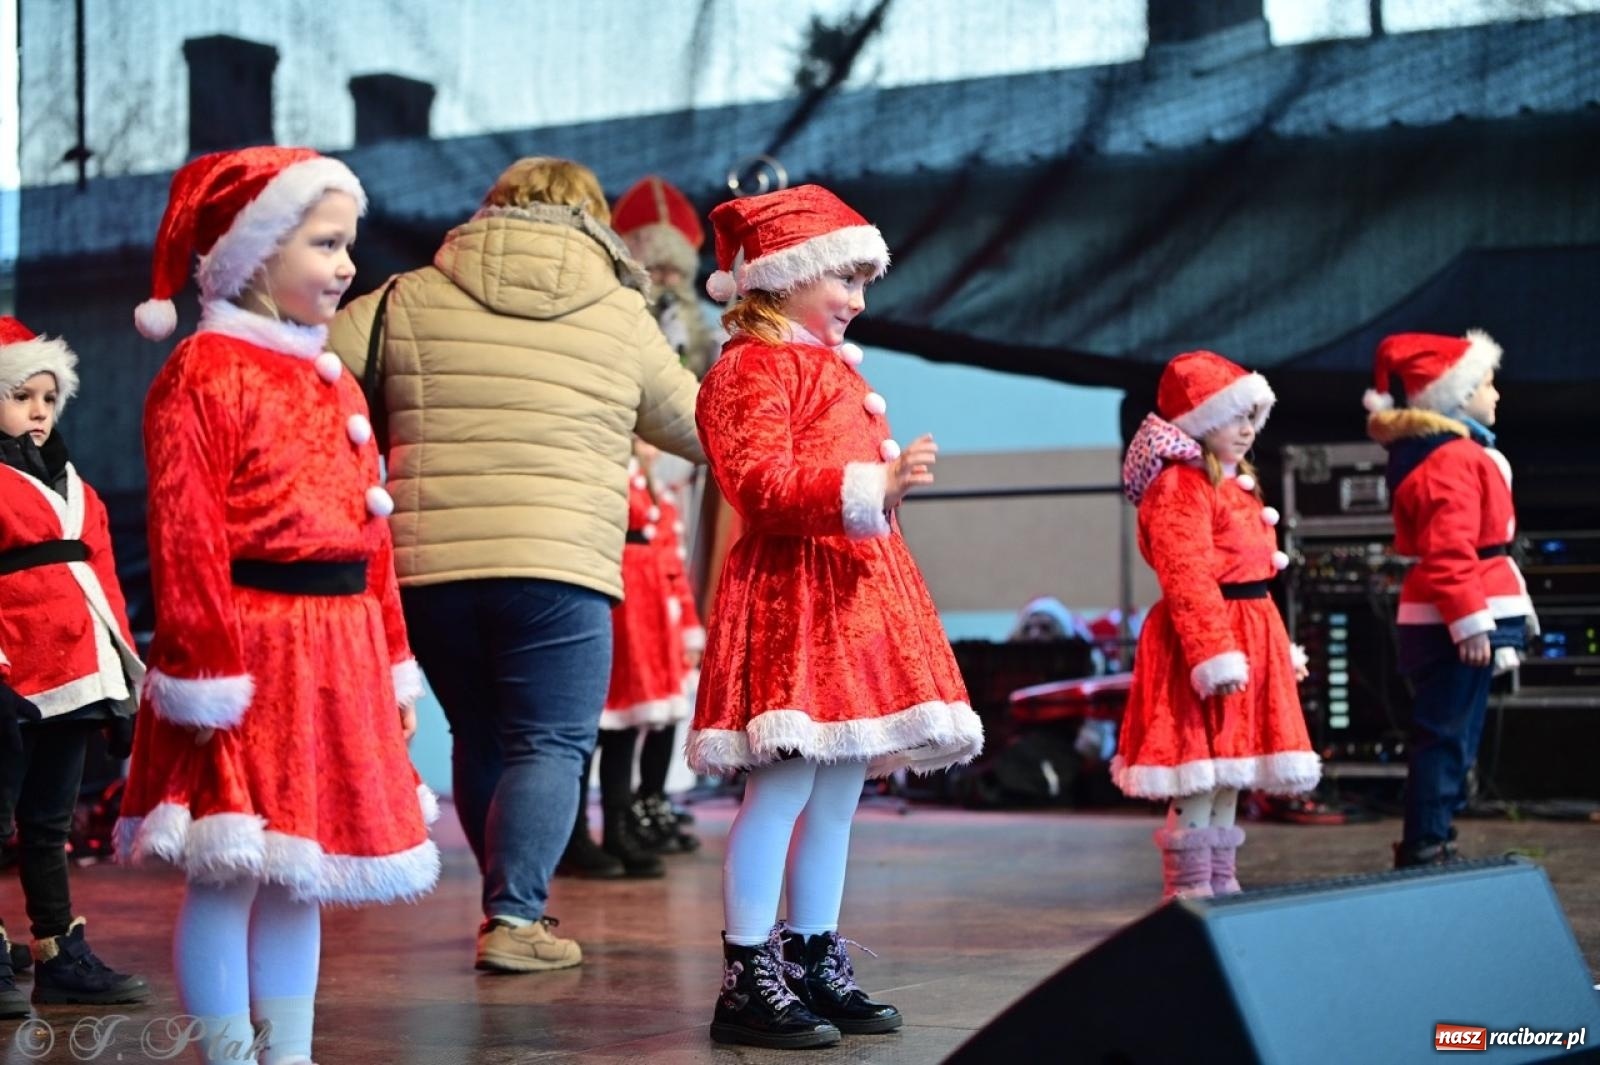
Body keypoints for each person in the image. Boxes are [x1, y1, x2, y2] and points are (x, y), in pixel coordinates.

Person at [328, 157, 705, 973]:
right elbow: (697, 427)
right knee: (550, 742)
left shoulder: (405, 296)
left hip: (431, 571)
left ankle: (506, 904)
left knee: (481, 731)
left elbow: (313, 378)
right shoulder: (621, 311)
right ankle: (515, 915)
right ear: (596, 219)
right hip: (560, 567)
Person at [117, 146, 438, 1065]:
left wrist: (389, 662)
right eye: (325, 242)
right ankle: (229, 1056)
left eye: (349, 244)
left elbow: (369, 535)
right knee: (231, 872)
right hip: (248, 657)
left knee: (304, 873)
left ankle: (288, 1054)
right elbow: (186, 541)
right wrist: (204, 680)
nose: (345, 264)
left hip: (336, 652)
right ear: (255, 251)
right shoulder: (205, 371)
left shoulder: (325, 374)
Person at [690, 184, 984, 1049]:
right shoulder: (750, 367)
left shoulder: (825, 365)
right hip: (794, 598)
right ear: (787, 276)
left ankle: (812, 953)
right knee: (781, 789)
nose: (857, 300)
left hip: (850, 598)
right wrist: (874, 488)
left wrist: (879, 497)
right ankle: (748, 970)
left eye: (863, 283)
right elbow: (760, 486)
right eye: (843, 280)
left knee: (839, 794)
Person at [1111, 351, 1319, 901]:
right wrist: (1214, 653)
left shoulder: (1227, 482)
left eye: (1253, 417)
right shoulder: (1182, 486)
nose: (1248, 429)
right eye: (1235, 417)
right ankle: (1190, 891)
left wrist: (1273, 645)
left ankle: (1221, 882)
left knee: (1229, 771)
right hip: (1206, 640)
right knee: (1199, 774)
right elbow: (1187, 576)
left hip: (1245, 630)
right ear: (1202, 422)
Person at [0, 317, 148, 1015]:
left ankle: (56, 949)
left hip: (76, 676)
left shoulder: (76, 484)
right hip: (12, 680)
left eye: (49, 398)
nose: (37, 410)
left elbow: (103, 576)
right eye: (21, 394)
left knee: (50, 822)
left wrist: (123, 676)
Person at [1363, 331, 1531, 868]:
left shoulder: (1455, 452)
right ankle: (1426, 843)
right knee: (1446, 733)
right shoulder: (1452, 458)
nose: (1496, 394)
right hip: (1450, 618)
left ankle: (1436, 836)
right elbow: (1448, 548)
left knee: (1456, 731)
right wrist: (1469, 621)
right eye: (1486, 384)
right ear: (1454, 397)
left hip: (1457, 613)